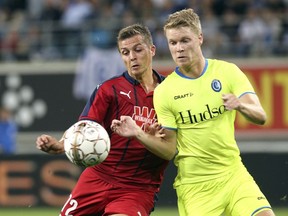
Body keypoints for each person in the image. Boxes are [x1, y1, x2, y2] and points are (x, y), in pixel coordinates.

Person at [111, 8, 275, 216]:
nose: (178, 48)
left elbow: (260, 116)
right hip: (196, 186)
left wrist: (241, 106)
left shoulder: (228, 72)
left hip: (234, 175)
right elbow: (169, 150)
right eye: (173, 43)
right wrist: (139, 133)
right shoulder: (165, 92)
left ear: (200, 38)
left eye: (184, 41)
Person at [36, 24, 169, 216]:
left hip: (137, 187)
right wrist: (60, 145)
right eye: (125, 52)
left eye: (138, 50)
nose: (132, 57)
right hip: (98, 177)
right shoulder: (109, 89)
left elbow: (174, 142)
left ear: (152, 50)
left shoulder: (170, 92)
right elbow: (84, 127)